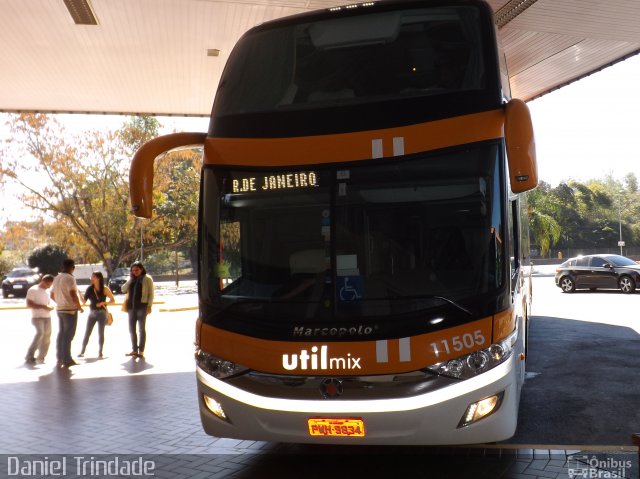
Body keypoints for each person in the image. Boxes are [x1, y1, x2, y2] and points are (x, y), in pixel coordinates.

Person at [50, 259, 83, 368]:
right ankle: (67, 359)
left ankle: (60, 357)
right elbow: (73, 294)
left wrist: (59, 302)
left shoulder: (56, 278)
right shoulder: (70, 278)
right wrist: (79, 307)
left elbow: (51, 295)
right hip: (70, 310)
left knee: (62, 334)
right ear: (72, 267)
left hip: (59, 310)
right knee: (68, 335)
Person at [121, 261, 154, 358]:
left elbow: (151, 294)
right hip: (131, 307)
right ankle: (134, 350)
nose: (135, 272)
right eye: (133, 270)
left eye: (137, 270)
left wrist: (149, 306)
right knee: (131, 329)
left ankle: (141, 351)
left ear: (142, 269)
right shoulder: (131, 279)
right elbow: (123, 289)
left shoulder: (147, 279)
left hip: (142, 307)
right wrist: (130, 280)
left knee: (141, 329)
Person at [79, 272, 115, 359]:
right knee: (87, 332)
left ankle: (100, 352)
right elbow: (84, 301)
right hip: (92, 312)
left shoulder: (105, 289)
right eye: (91, 276)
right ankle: (82, 351)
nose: (91, 278)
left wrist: (104, 302)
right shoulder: (90, 289)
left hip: (102, 313)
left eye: (93, 277)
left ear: (98, 278)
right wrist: (79, 294)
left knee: (101, 332)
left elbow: (112, 300)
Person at [24, 274, 55, 364]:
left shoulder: (47, 291)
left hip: (47, 316)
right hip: (37, 317)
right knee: (40, 333)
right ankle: (30, 355)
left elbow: (47, 303)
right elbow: (29, 304)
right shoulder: (33, 290)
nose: (48, 286)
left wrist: (49, 307)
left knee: (47, 337)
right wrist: (43, 307)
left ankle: (41, 356)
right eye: (47, 284)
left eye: (50, 285)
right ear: (43, 281)